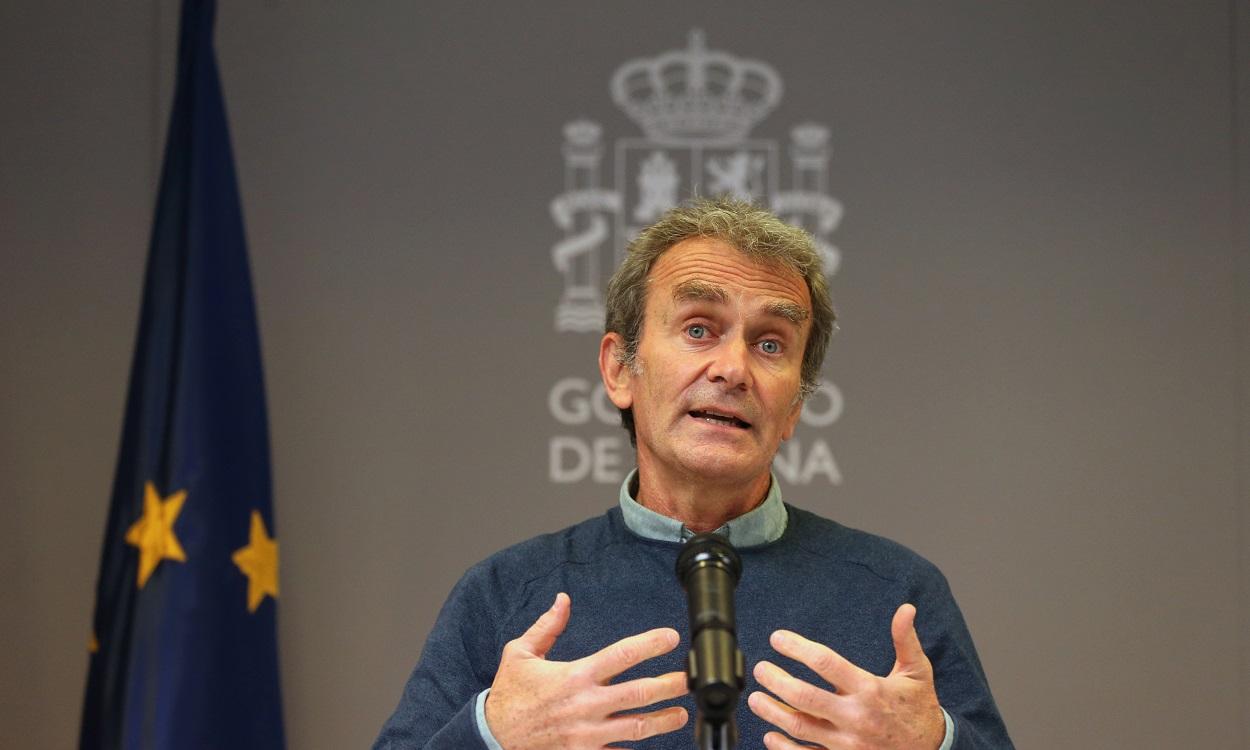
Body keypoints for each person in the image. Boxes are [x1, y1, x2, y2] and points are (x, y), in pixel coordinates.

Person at [374, 198, 1013, 749]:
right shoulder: (506, 592)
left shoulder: (896, 593)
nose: (733, 368)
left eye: (770, 344)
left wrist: (932, 744)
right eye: (699, 328)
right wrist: (491, 735)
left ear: (794, 405)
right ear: (620, 369)